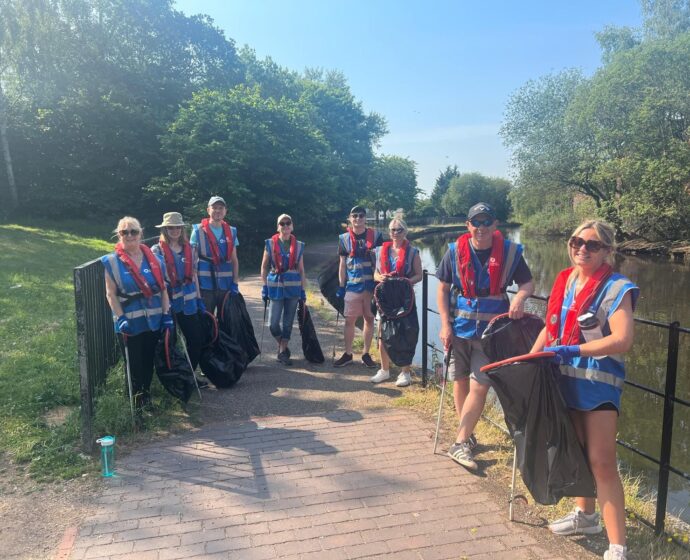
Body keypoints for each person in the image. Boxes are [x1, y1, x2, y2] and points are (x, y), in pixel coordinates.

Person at [530, 220, 638, 560]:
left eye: (592, 245)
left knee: (602, 462)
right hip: (563, 381)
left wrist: (575, 351)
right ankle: (586, 517)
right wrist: (531, 360)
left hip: (597, 386)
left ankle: (617, 546)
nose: (582, 249)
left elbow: (622, 340)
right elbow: (551, 329)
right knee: (576, 453)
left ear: (607, 250)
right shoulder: (564, 280)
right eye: (577, 241)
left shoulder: (617, 287)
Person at [437, 202, 534, 471]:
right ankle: (466, 437)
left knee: (481, 383)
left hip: (493, 333)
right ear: (467, 226)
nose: (480, 228)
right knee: (459, 381)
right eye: (475, 222)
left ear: (495, 225)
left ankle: (459, 442)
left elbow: (527, 282)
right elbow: (443, 289)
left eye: (486, 222)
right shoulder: (454, 252)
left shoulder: (511, 253)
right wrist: (444, 324)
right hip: (459, 329)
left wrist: (521, 299)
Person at [102, 217, 172, 409]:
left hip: (153, 320)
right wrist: (120, 318)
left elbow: (164, 289)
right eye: (125, 232)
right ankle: (135, 404)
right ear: (119, 235)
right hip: (130, 323)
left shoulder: (156, 260)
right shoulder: (112, 262)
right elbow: (111, 294)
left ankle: (146, 397)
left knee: (148, 361)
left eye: (133, 231)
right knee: (133, 365)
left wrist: (166, 315)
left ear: (141, 233)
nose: (130, 235)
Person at [151, 212, 206, 378]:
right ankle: (174, 378)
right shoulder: (157, 250)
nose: (174, 230)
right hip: (169, 304)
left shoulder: (191, 249)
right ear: (165, 229)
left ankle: (189, 375)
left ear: (182, 229)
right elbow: (158, 280)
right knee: (171, 343)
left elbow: (194, 275)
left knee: (197, 339)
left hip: (189, 303)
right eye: (170, 227)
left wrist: (199, 298)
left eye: (177, 227)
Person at [370, 217, 423, 387]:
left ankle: (405, 372)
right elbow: (375, 274)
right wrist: (381, 277)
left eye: (399, 230)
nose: (396, 233)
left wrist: (406, 281)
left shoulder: (413, 252)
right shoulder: (379, 251)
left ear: (405, 231)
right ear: (389, 232)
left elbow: (418, 275)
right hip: (385, 298)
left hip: (404, 299)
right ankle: (384, 370)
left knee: (405, 334)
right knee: (382, 334)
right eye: (393, 230)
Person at [333, 206, 384, 368]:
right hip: (352, 286)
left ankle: (366, 354)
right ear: (350, 218)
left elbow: (382, 261)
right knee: (349, 320)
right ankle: (348, 354)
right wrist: (341, 286)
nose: (358, 218)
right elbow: (342, 265)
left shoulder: (376, 237)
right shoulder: (344, 238)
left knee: (369, 319)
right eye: (354, 216)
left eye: (361, 216)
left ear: (365, 218)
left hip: (371, 287)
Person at [260, 214, 306, 366]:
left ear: (292, 226)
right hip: (275, 287)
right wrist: (264, 287)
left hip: (293, 288)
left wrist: (303, 290)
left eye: (288, 223)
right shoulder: (270, 243)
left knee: (287, 323)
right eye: (282, 223)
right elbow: (264, 266)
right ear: (277, 226)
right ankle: (282, 345)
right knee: (273, 324)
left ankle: (282, 351)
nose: (285, 226)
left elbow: (301, 269)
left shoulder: (299, 245)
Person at [190, 196, 239, 314]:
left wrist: (235, 283)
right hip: (205, 286)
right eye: (214, 207)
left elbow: (234, 261)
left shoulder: (231, 231)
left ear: (225, 211)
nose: (217, 210)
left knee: (227, 323)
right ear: (208, 210)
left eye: (221, 208)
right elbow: (192, 265)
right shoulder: (197, 230)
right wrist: (196, 292)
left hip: (226, 285)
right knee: (207, 323)